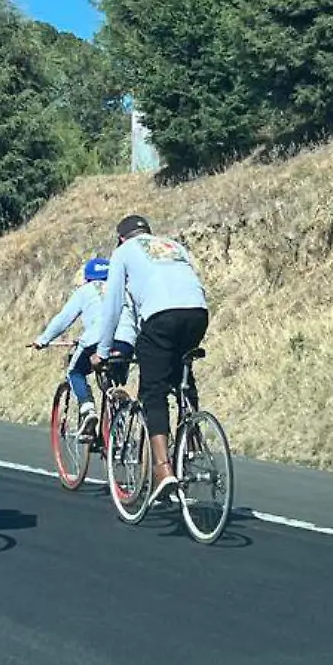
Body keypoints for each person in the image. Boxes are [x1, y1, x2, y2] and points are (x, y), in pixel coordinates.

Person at [100, 214, 208, 503]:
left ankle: (163, 470)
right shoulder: (173, 246)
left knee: (153, 391)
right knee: (181, 372)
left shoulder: (122, 252)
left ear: (121, 238)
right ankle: (192, 438)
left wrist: (102, 350)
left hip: (161, 317)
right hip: (197, 312)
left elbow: (113, 306)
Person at [30, 257, 136, 435]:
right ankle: (119, 421)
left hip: (97, 340)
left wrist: (43, 339)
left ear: (87, 278)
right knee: (114, 377)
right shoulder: (124, 291)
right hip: (126, 341)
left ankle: (88, 408)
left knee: (74, 372)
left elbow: (63, 319)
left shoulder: (86, 290)